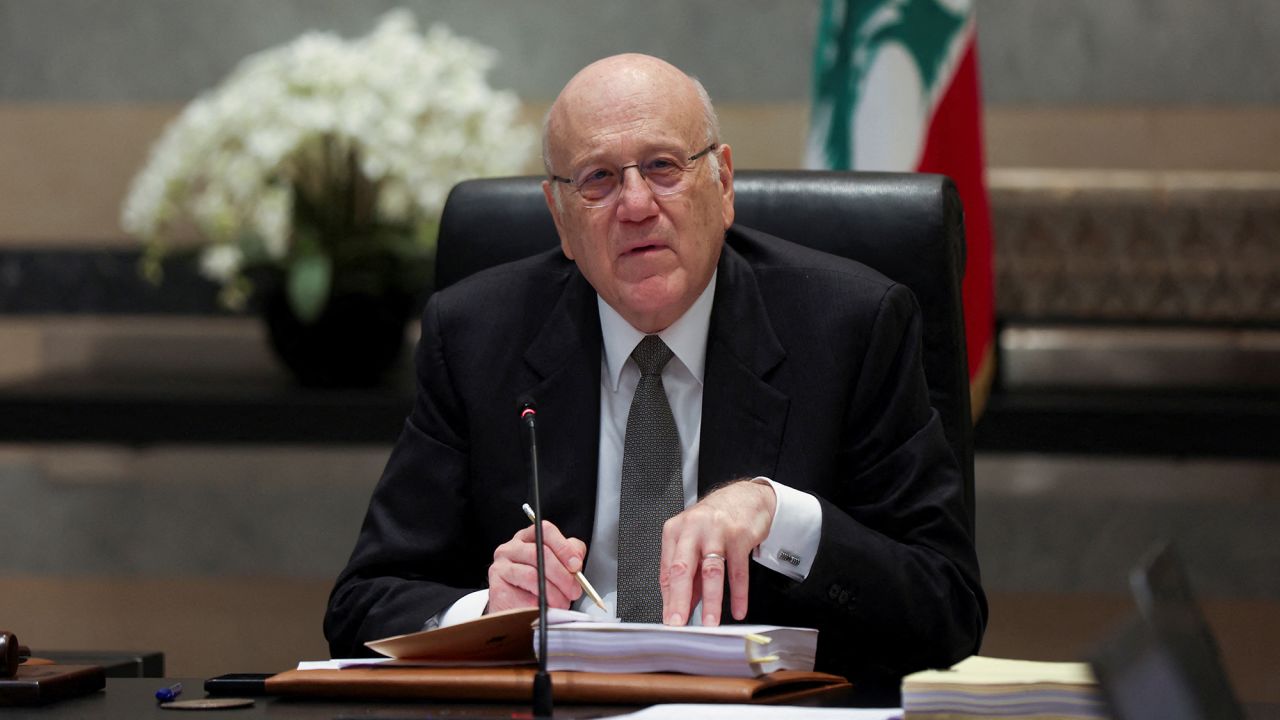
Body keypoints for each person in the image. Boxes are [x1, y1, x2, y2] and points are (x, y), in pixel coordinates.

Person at [325, 53, 985, 693]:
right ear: (560, 216)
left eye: (664, 167)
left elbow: (947, 611)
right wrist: (488, 614)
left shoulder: (849, 327)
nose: (636, 204)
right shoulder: (475, 336)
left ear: (722, 184)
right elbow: (362, 605)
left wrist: (781, 516)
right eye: (598, 179)